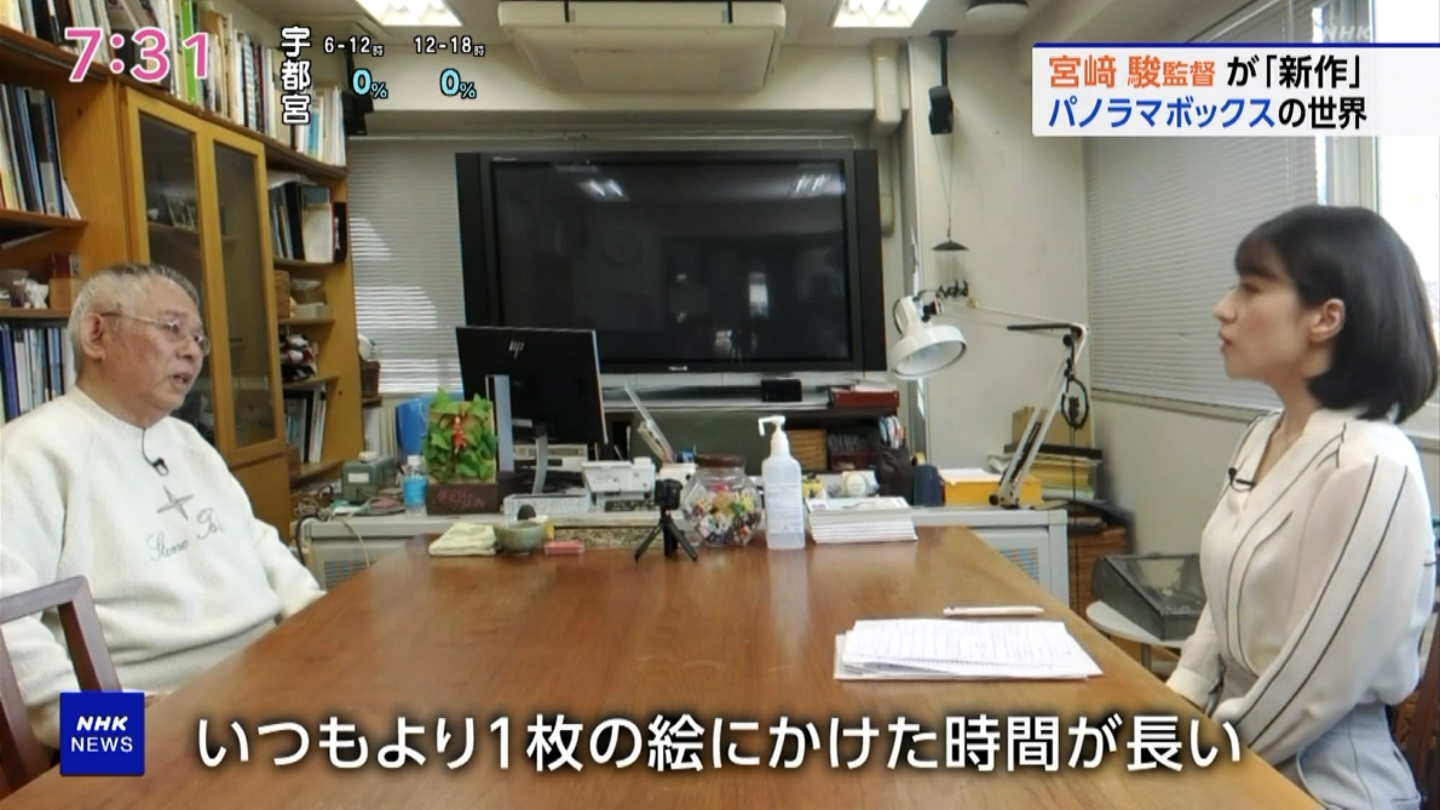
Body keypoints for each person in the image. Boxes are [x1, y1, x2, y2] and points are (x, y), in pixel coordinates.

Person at [1166, 205, 1438, 808]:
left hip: (1324, 785)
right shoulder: (1264, 435)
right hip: (1238, 758)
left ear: (1326, 317)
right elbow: (1223, 599)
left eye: (1250, 287)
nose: (1223, 308)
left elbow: (1315, 686)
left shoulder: (1372, 464)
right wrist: (1178, 697)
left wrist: (1192, 766)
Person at [0, 262, 325, 749]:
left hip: (268, 682)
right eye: (173, 328)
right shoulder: (30, 452)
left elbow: (258, 544)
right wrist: (107, 730)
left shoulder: (186, 439)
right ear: (96, 334)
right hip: (144, 724)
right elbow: (8, 622)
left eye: (198, 339)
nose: (192, 350)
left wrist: (324, 627)